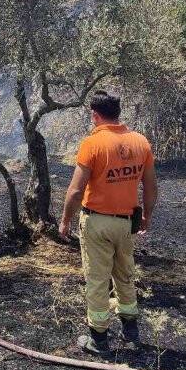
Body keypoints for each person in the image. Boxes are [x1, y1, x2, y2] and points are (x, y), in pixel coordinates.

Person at [59, 91, 158, 355]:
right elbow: (150, 187)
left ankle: (99, 340)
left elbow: (76, 191)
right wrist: (147, 215)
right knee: (125, 274)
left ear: (95, 115)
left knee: (97, 278)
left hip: (96, 223)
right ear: (118, 113)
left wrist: (65, 220)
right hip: (126, 223)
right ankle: (130, 330)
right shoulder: (140, 142)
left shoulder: (93, 144)